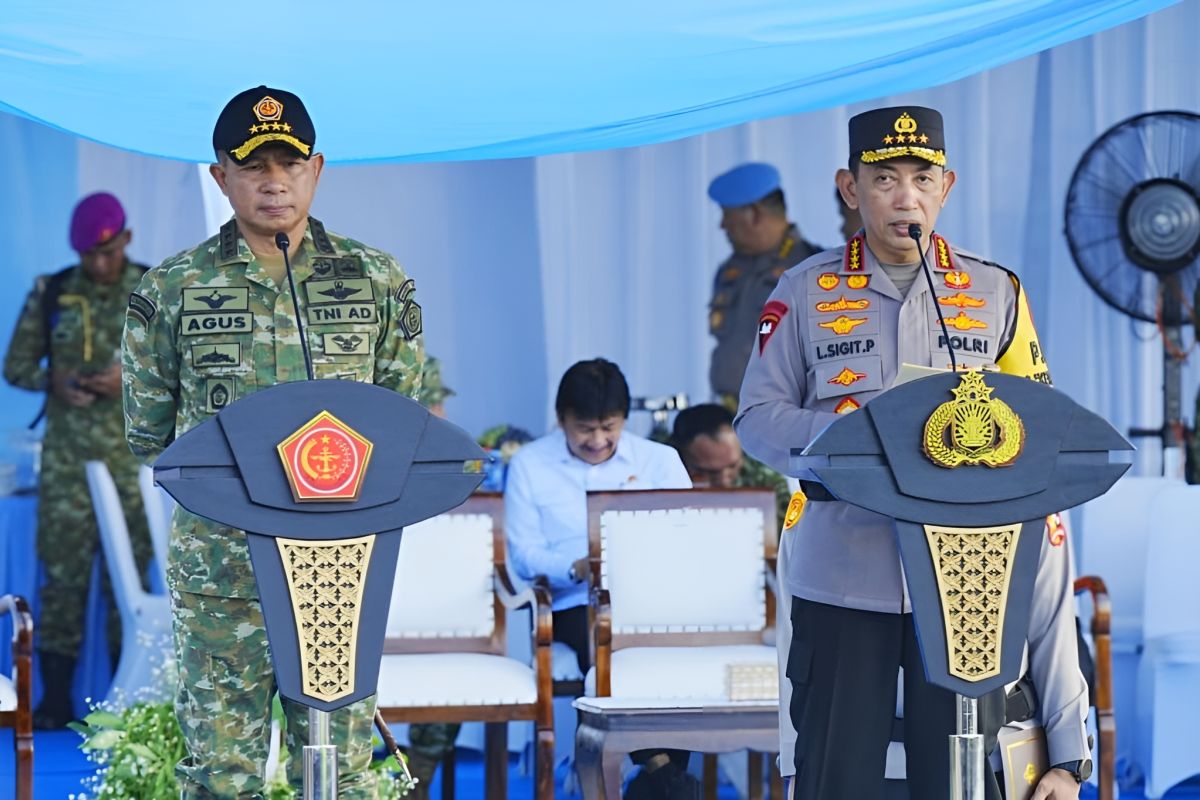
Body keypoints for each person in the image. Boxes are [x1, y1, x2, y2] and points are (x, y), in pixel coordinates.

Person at [735, 106, 1088, 800]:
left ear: (947, 186)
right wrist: (847, 434)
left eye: (922, 178)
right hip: (845, 570)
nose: (905, 198)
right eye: (885, 178)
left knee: (959, 780)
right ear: (849, 187)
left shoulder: (995, 294)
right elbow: (757, 418)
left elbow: (1041, 422)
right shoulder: (804, 292)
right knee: (837, 774)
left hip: (968, 581)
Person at [122, 85, 425, 798]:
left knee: (341, 773)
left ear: (317, 169)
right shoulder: (171, 290)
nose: (274, 181)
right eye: (254, 165)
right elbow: (149, 435)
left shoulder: (377, 280)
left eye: (290, 164)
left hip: (339, 567)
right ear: (220, 175)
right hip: (223, 574)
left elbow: (402, 414)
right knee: (222, 776)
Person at [504, 358, 696, 797]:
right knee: (607, 629)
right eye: (584, 429)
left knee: (667, 648)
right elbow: (523, 555)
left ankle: (658, 777)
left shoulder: (659, 462)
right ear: (561, 419)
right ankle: (663, 775)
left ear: (625, 420)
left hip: (657, 599)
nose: (597, 440)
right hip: (575, 602)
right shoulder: (532, 466)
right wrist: (573, 566)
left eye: (608, 427)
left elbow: (691, 531)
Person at [3, 192, 154, 729]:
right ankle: (55, 703)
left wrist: (127, 380)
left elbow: (181, 369)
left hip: (129, 460)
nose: (98, 263)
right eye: (89, 255)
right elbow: (15, 365)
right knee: (61, 582)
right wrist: (56, 382)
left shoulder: (153, 290)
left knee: (128, 582)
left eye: (107, 253)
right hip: (67, 465)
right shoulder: (53, 292)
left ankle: (125, 706)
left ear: (126, 241)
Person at [707, 163, 820, 408]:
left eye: (728, 215)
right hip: (730, 413)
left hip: (784, 411)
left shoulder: (811, 268)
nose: (722, 225)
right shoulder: (730, 271)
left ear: (755, 214)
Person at [669, 403, 789, 526]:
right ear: (681, 456)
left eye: (733, 466)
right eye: (710, 472)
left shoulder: (766, 482)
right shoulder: (657, 478)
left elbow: (786, 539)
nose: (724, 481)